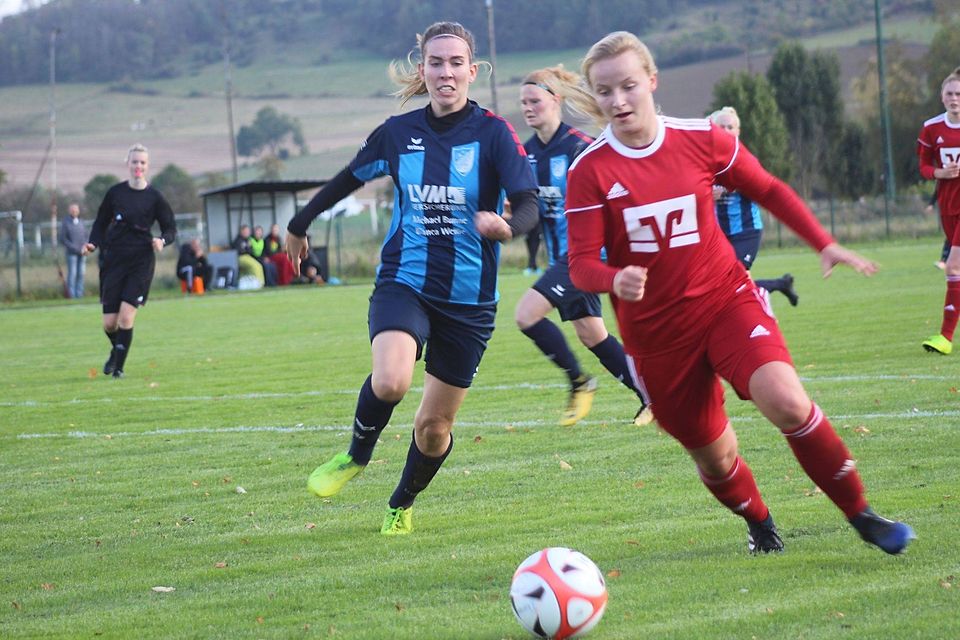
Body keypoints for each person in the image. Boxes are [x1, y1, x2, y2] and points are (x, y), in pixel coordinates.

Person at [563, 31, 913, 555]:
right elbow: (581, 264)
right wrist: (613, 278)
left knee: (788, 401)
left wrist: (825, 242)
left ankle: (863, 515)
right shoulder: (589, 171)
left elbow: (767, 188)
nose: (618, 101)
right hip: (657, 338)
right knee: (716, 457)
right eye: (605, 91)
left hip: (726, 300)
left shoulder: (702, 139)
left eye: (629, 86)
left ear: (652, 82)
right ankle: (760, 522)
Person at [286, 21, 538, 535]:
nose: (446, 72)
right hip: (405, 281)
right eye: (435, 62)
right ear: (421, 70)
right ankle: (356, 457)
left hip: (469, 302)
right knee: (393, 379)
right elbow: (345, 179)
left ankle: (401, 503)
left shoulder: (493, 133)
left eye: (455, 63)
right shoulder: (398, 134)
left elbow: (530, 202)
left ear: (472, 70)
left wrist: (509, 225)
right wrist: (298, 223)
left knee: (433, 428)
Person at [515, 65, 652, 427]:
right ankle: (650, 396)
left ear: (555, 100)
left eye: (534, 100)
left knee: (526, 314)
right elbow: (524, 210)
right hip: (562, 258)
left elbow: (621, 191)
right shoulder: (525, 155)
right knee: (591, 333)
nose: (528, 108)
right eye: (523, 102)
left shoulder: (580, 147)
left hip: (586, 255)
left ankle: (580, 382)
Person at [82, 143, 176, 378]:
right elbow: (100, 223)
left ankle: (119, 369)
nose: (138, 166)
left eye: (142, 162)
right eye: (134, 161)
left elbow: (170, 228)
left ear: (147, 166)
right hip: (114, 261)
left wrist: (161, 241)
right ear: (128, 164)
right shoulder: (115, 193)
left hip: (141, 261)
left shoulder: (155, 197)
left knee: (126, 316)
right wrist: (93, 243)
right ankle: (117, 351)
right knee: (109, 323)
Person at [709, 107, 798, 307]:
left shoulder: (745, 160)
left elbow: (761, 190)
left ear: (738, 131)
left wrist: (725, 189)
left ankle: (758, 318)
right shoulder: (707, 162)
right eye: (720, 126)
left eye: (729, 126)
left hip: (746, 231)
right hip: (718, 235)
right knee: (731, 286)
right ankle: (782, 284)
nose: (725, 130)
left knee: (732, 283)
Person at [918, 67, 960, 356]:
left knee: (954, 266)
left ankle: (945, 337)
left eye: (959, 94)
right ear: (941, 97)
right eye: (950, 93)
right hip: (948, 206)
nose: (955, 98)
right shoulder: (931, 128)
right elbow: (923, 167)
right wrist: (939, 173)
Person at [59, 202, 87, 298]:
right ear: (69, 211)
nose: (74, 211)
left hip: (82, 253)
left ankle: (79, 294)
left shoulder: (81, 222)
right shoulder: (66, 222)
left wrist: (85, 247)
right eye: (72, 210)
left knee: (81, 274)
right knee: (72, 274)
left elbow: (85, 236)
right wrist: (74, 248)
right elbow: (63, 239)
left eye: (76, 209)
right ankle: (72, 295)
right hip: (71, 254)